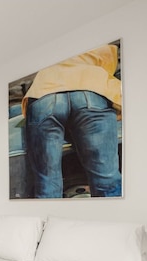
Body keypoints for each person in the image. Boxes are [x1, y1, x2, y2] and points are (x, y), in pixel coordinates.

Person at [22, 43, 122, 198]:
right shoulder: (105, 46)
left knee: (47, 184)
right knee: (107, 182)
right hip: (90, 89)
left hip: (44, 93)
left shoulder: (51, 55)